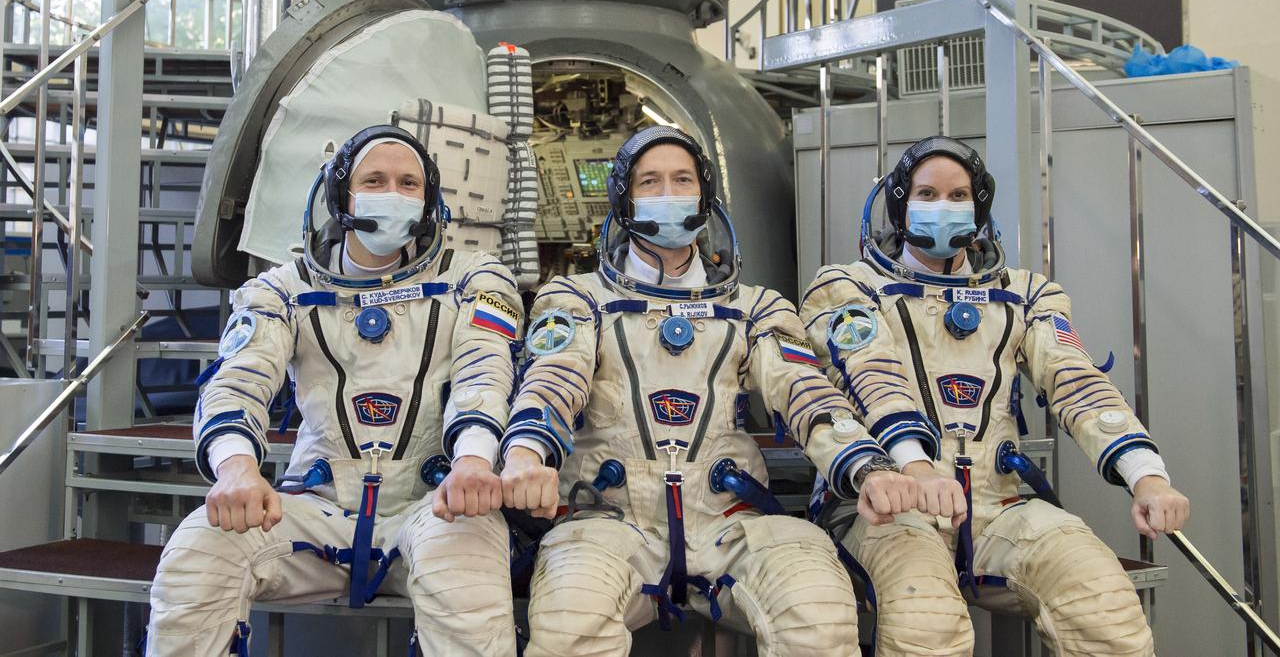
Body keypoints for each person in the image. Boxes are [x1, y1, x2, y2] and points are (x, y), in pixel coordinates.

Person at [500, 125, 918, 656]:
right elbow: (553, 380)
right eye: (650, 182)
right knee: (568, 621)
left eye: (682, 180)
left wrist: (869, 467)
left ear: (705, 195)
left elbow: (807, 393)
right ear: (623, 200)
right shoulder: (578, 297)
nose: (669, 194)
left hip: (731, 523)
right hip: (612, 523)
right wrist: (524, 456)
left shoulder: (757, 306)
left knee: (819, 613)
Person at [800, 135, 1190, 657]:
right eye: (927, 193)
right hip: (890, 504)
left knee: (1103, 605)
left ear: (979, 206)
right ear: (899, 204)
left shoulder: (1026, 294)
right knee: (927, 626)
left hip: (999, 504)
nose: (944, 207)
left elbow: (1079, 383)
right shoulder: (846, 288)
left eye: (959, 195)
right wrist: (916, 469)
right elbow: (872, 379)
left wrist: (1147, 477)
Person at [147, 125, 523, 657]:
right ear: (340, 195)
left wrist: (473, 462)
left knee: (466, 574)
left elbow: (482, 373)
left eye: (408, 183)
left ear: (428, 200)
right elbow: (239, 379)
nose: (392, 193)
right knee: (199, 549)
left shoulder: (475, 279)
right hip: (315, 503)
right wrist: (237, 468)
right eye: (375, 179)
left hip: (436, 501)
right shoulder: (283, 289)